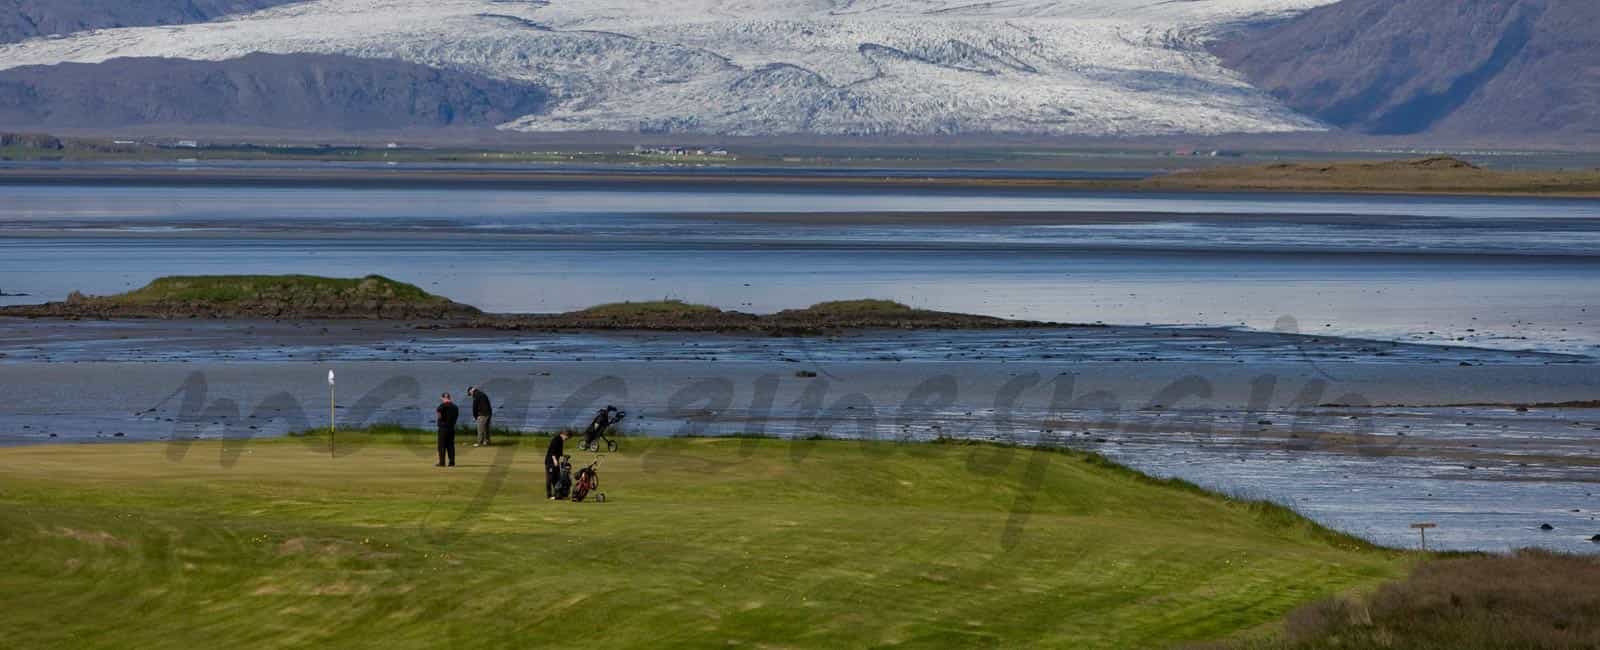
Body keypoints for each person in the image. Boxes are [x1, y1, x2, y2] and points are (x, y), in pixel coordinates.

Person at [435, 392, 459, 467]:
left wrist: (440, 420)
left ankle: (442, 462)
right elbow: (456, 417)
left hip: (443, 428)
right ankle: (452, 462)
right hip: (451, 428)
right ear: (449, 397)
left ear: (443, 398)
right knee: (450, 445)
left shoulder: (442, 406)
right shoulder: (455, 407)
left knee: (442, 445)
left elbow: (439, 414)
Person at [545, 430, 570, 500]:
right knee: (550, 478)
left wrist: (564, 457)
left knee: (556, 478)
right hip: (550, 462)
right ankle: (549, 495)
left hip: (556, 462)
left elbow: (559, 452)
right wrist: (555, 461)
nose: (567, 439)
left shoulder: (561, 441)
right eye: (567, 437)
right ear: (563, 434)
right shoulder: (556, 440)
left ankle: (557, 494)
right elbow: (553, 451)